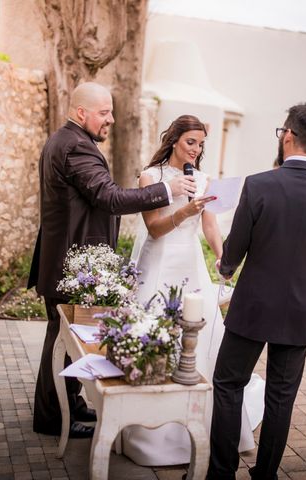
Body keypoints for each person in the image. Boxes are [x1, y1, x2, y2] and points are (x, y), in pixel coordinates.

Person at [27, 82, 196, 439]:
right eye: (104, 113)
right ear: (81, 113)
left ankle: (71, 404)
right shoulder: (76, 147)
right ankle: (51, 417)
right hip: (71, 265)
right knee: (61, 340)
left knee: (66, 340)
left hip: (65, 259)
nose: (111, 120)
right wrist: (167, 190)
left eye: (111, 112)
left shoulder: (66, 140)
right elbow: (110, 197)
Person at [208, 104, 306, 480]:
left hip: (252, 308)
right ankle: (265, 475)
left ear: (287, 135)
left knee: (227, 384)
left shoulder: (258, 184)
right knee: (281, 397)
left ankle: (221, 473)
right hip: (301, 313)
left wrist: (224, 269)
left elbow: (236, 246)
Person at [124, 115, 265, 466]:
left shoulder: (201, 179)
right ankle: (149, 434)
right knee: (155, 339)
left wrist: (222, 259)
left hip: (191, 267)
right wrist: (183, 209)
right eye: (191, 142)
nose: (196, 150)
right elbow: (154, 229)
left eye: (201, 144)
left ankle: (204, 428)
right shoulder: (150, 176)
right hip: (157, 265)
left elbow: (210, 223)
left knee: (203, 342)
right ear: (173, 140)